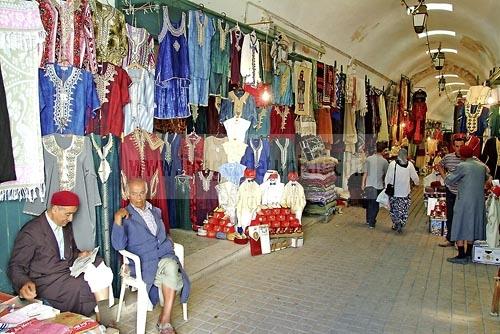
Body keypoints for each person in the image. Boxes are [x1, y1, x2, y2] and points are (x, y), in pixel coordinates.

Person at [8, 191, 114, 321]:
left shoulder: (65, 226)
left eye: (73, 214)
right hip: (47, 281)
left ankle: (102, 316)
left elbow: (70, 251)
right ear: (55, 209)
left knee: (100, 267)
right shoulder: (31, 232)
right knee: (83, 285)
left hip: (66, 271)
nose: (71, 219)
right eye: (68, 214)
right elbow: (16, 265)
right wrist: (24, 283)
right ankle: (100, 318)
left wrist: (80, 254)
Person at [112, 178, 190, 334]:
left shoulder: (155, 211)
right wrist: (117, 220)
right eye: (134, 194)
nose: (139, 198)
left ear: (146, 192)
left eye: (142, 193)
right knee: (172, 271)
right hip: (144, 263)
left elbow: (162, 233)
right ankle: (164, 322)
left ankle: (165, 320)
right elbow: (118, 246)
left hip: (164, 256)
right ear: (127, 194)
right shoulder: (125, 216)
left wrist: (167, 240)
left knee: (171, 266)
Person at [444, 145, 488, 264]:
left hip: (464, 200)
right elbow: (487, 179)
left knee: (460, 225)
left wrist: (445, 174)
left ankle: (461, 255)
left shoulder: (462, 166)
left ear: (463, 155)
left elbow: (449, 180)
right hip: (478, 201)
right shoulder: (481, 166)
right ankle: (469, 253)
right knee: (471, 225)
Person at [434, 134, 465, 247]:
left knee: (462, 216)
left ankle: (461, 241)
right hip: (451, 191)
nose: (459, 149)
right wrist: (445, 177)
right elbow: (439, 165)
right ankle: (450, 239)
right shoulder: (448, 157)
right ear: (453, 146)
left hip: (464, 193)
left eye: (461, 146)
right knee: (451, 215)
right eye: (457, 146)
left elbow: (485, 169)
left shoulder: (469, 158)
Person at [385, 148, 420, 233]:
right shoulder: (410, 165)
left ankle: (396, 222)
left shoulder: (393, 164)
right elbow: (415, 177)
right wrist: (417, 183)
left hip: (394, 192)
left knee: (394, 208)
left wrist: (386, 186)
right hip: (405, 192)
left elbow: (388, 177)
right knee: (404, 208)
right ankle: (401, 222)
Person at [361, 141, 389, 228]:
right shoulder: (384, 162)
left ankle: (368, 220)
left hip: (368, 185)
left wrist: (363, 184)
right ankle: (371, 222)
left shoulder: (368, 159)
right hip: (378, 186)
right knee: (375, 205)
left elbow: (365, 173)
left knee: (369, 203)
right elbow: (386, 175)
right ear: (383, 151)